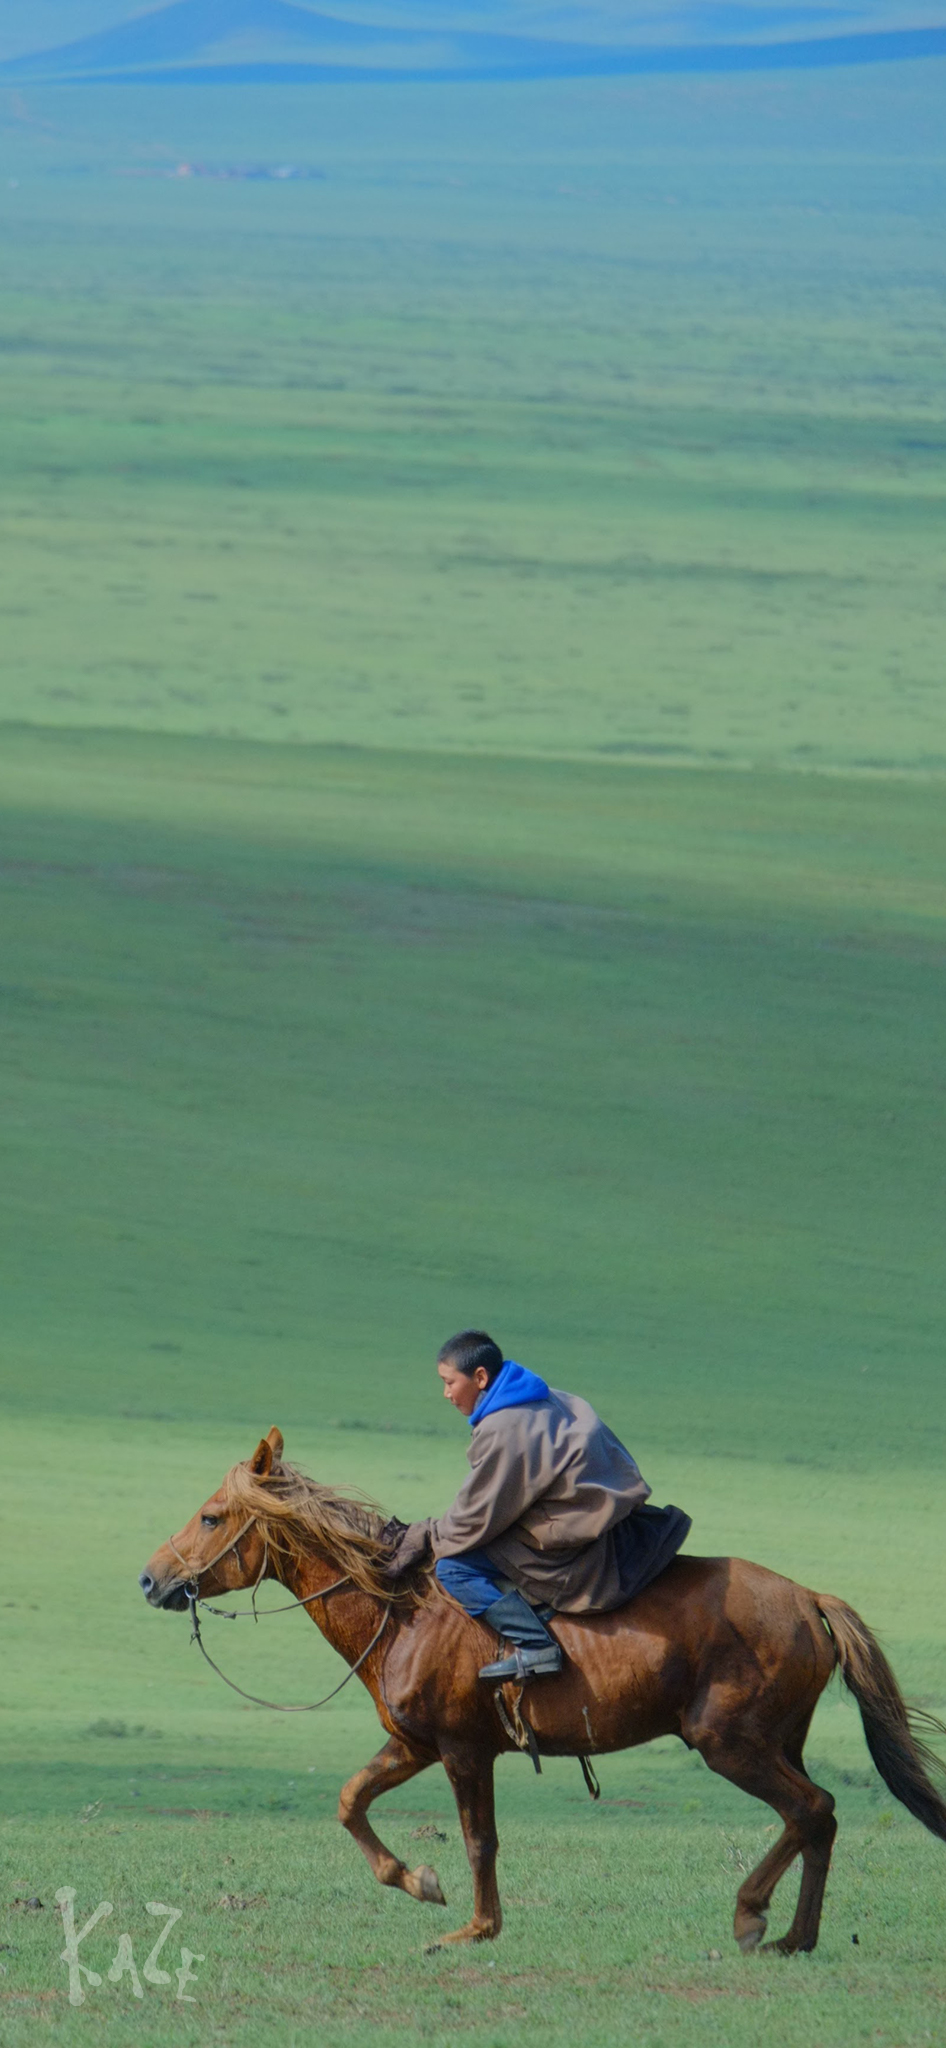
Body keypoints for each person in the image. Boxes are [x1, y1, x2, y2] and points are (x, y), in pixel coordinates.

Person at [383, 1330, 691, 1683]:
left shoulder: (504, 1427)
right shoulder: (542, 1396)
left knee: (454, 1568)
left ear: (480, 1377)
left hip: (568, 1543)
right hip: (598, 1519)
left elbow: (477, 1516)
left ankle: (535, 1647)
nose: (446, 1393)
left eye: (449, 1382)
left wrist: (427, 1534)